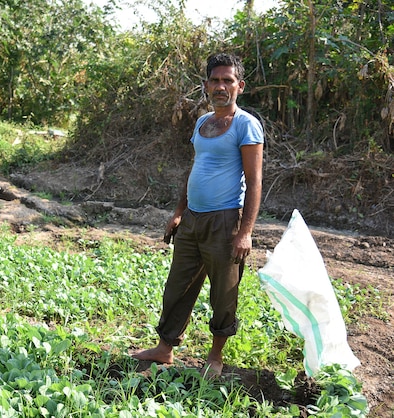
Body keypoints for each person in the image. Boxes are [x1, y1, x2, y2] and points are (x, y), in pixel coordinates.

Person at [131, 53, 264, 379]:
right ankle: (165, 348)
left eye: (228, 81)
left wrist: (245, 231)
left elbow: (256, 179)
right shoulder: (202, 122)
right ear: (206, 85)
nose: (221, 86)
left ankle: (215, 356)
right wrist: (178, 212)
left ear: (239, 86)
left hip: (225, 221)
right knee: (178, 286)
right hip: (192, 219)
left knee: (223, 291)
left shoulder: (246, 125)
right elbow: (196, 168)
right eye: (215, 80)